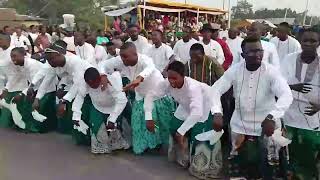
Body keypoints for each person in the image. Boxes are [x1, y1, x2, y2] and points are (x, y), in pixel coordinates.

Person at [210, 36, 293, 179]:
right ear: (243, 55)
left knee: (269, 165)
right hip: (240, 125)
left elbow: (286, 95)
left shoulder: (271, 71)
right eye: (252, 52)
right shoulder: (235, 70)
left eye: (260, 51)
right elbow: (215, 90)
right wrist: (217, 112)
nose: (258, 55)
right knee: (242, 164)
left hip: (267, 126)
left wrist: (272, 116)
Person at [144, 61, 223, 179]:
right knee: (173, 127)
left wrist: (181, 131)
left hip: (205, 106)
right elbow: (150, 95)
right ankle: (183, 158)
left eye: (175, 78)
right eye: (169, 77)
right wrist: (148, 117)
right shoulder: (167, 83)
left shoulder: (193, 87)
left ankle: (201, 167)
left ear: (183, 76)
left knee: (199, 135)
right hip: (185, 106)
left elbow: (197, 113)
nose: (171, 81)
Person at [99, 42, 175, 154]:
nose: (123, 60)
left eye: (126, 57)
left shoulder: (145, 59)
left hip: (157, 95)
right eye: (122, 57)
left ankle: (158, 146)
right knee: (138, 123)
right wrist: (103, 75)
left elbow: (149, 68)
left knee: (160, 123)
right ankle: (145, 146)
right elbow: (102, 64)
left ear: (135, 54)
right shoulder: (121, 60)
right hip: (140, 95)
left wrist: (138, 79)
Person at [34, 42, 93, 145]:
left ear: (60, 54)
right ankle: (80, 138)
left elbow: (78, 83)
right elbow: (46, 82)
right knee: (74, 115)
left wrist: (64, 101)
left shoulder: (75, 62)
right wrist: (37, 98)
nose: (50, 62)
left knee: (82, 114)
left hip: (90, 87)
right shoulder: (55, 66)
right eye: (48, 60)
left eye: (52, 59)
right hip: (75, 89)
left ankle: (89, 140)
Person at [280, 28, 320, 180]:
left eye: (313, 41)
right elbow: (279, 82)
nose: (309, 44)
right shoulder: (289, 59)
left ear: (318, 43)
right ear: (300, 41)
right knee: (289, 156)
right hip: (289, 116)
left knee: (309, 158)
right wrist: (291, 86)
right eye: (305, 40)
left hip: (312, 118)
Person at [72, 67, 130, 154]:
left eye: (95, 82)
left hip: (113, 107)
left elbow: (122, 100)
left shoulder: (111, 82)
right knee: (97, 127)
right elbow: (79, 97)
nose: (93, 85)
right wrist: (76, 116)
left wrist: (112, 118)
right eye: (90, 84)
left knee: (114, 128)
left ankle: (117, 144)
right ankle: (102, 147)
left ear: (100, 78)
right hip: (97, 107)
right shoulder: (84, 84)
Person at [10, 47, 57, 133]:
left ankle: (35, 127)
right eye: (12, 57)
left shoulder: (32, 65)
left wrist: (22, 94)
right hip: (35, 88)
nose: (13, 59)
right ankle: (24, 124)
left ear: (23, 55)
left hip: (47, 88)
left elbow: (36, 83)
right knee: (25, 101)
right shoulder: (21, 65)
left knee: (36, 105)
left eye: (15, 56)